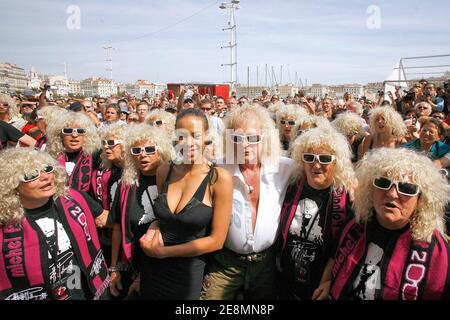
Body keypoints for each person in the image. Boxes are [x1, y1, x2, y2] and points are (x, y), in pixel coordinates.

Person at [328, 148, 450, 300]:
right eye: (383, 183)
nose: (392, 194)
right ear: (370, 188)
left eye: (406, 188)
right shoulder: (356, 223)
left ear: (421, 199)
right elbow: (334, 256)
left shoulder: (438, 252)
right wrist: (327, 282)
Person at [136, 108, 232, 300]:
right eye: (182, 136)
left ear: (206, 137)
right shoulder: (164, 170)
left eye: (195, 135)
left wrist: (164, 253)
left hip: (187, 276)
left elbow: (217, 241)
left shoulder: (219, 178)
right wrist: (154, 227)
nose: (189, 143)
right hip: (152, 269)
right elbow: (164, 218)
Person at [201, 104, 293, 300]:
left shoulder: (285, 168)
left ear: (265, 138)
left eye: (252, 138)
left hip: (266, 265)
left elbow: (323, 171)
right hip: (225, 263)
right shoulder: (217, 168)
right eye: (237, 138)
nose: (245, 145)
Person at [0, 148, 110, 300]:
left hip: (87, 290)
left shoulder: (73, 198)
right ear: (13, 186)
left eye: (47, 169)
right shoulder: (4, 223)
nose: (45, 177)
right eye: (32, 175)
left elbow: (110, 220)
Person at [277, 127, 355, 300]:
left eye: (325, 159)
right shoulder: (289, 187)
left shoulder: (347, 198)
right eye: (309, 158)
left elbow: (346, 247)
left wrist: (329, 280)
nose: (316, 164)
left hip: (319, 287)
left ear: (337, 162)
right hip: (285, 282)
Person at [109, 124, 174, 299]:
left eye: (149, 149)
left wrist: (145, 274)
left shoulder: (173, 182)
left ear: (162, 151)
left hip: (162, 265)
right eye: (136, 150)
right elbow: (117, 228)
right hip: (130, 263)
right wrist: (114, 268)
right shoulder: (126, 184)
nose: (143, 154)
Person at [91, 123, 128, 266]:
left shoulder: (135, 171)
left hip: (124, 239)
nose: (106, 146)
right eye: (104, 143)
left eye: (111, 143)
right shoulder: (102, 167)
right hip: (103, 235)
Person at [47, 111, 102, 194]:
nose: (74, 135)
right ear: (59, 134)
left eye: (80, 131)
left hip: (86, 204)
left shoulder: (96, 156)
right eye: (68, 130)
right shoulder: (51, 157)